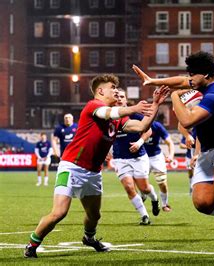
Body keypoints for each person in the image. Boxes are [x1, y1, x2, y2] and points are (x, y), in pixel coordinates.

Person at [24, 73, 169, 258]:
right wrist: (134, 107)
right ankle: (31, 244)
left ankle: (89, 238)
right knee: (59, 212)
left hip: (93, 172)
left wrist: (156, 104)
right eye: (112, 88)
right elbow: (108, 113)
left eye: (117, 88)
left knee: (94, 216)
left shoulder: (118, 118)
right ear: (100, 91)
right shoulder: (94, 105)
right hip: (71, 166)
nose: (116, 91)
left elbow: (141, 127)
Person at [133, 51, 214, 260]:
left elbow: (188, 121)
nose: (188, 78)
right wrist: (152, 80)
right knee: (202, 203)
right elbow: (181, 80)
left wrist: (174, 96)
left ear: (205, 75)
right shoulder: (207, 81)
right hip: (209, 149)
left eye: (192, 74)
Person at [111, 88, 160, 225]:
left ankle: (154, 199)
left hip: (138, 156)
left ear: (126, 100)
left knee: (144, 188)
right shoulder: (110, 115)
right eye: (117, 96)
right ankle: (144, 216)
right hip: (120, 158)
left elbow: (148, 130)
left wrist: (139, 143)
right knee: (129, 187)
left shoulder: (135, 114)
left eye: (122, 96)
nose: (119, 99)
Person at [143, 115, 175, 213]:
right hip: (142, 157)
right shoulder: (136, 125)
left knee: (162, 182)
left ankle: (164, 204)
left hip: (156, 157)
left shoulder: (157, 126)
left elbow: (170, 143)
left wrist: (170, 156)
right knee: (142, 184)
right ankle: (144, 196)